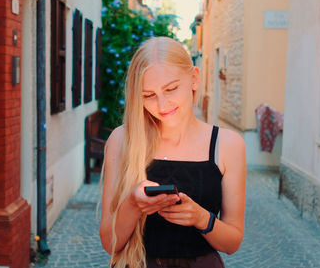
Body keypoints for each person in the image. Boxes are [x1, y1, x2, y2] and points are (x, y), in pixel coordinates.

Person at [100, 36, 246, 268]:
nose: (162, 104)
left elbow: (232, 243)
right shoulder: (122, 139)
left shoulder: (228, 144)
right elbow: (110, 243)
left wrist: (201, 218)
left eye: (171, 88)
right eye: (148, 95)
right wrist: (133, 205)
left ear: (194, 79)